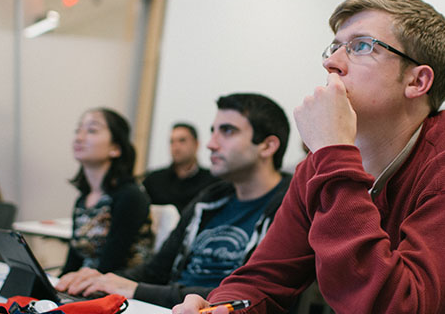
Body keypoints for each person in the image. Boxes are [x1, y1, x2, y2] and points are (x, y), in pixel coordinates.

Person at [174, 0, 445, 313]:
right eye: (334, 46)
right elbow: (265, 277)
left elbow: (399, 308)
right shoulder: (322, 161)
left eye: (361, 45)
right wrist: (222, 307)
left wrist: (333, 153)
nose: (331, 62)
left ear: (417, 81)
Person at [56, 93, 292, 308]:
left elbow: (249, 298)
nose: (211, 144)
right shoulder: (208, 200)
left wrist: (137, 289)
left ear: (267, 146)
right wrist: (105, 280)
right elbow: (156, 271)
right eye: (213, 131)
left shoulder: (289, 207)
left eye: (228, 131)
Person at [61, 108, 152, 275]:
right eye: (78, 130)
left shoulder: (131, 196)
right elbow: (73, 263)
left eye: (92, 130)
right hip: (87, 286)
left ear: (115, 148)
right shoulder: (83, 200)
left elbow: (111, 264)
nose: (79, 138)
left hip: (121, 290)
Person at [142, 123, 219, 212]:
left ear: (196, 144)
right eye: (172, 142)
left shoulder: (212, 182)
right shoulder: (154, 180)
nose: (176, 147)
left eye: (182, 141)